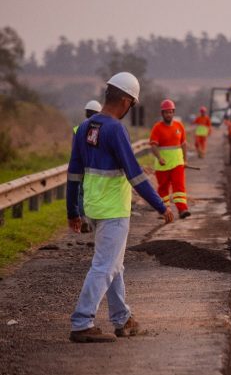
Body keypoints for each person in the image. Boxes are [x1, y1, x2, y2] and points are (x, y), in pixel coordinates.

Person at [67, 72, 174, 343]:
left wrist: (73, 210)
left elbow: (73, 173)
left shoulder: (85, 128)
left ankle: (122, 319)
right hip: (114, 210)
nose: (130, 109)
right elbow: (135, 175)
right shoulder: (116, 129)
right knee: (104, 266)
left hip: (94, 206)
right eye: (132, 104)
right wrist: (160, 206)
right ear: (125, 101)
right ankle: (81, 322)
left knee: (115, 265)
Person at [150, 99, 191, 219]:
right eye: (166, 112)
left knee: (179, 186)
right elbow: (153, 145)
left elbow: (183, 144)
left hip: (177, 163)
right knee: (163, 188)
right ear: (162, 114)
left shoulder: (179, 126)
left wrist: (185, 160)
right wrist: (159, 157)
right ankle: (165, 210)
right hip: (162, 164)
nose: (168, 114)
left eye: (170, 112)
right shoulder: (157, 128)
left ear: (173, 112)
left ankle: (182, 209)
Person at [73, 100, 102, 234]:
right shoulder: (101, 129)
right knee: (93, 192)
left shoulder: (78, 129)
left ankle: (83, 218)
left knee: (80, 192)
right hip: (96, 166)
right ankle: (94, 219)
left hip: (81, 164)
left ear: (86, 113)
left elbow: (74, 149)